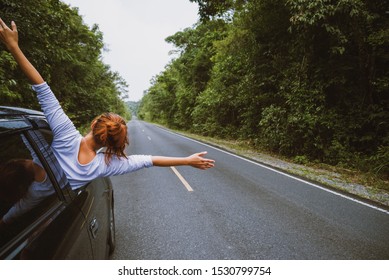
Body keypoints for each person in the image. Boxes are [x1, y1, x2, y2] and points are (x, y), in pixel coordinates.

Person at [0, 18, 215, 190]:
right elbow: (149, 160)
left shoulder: (66, 135)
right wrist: (186, 160)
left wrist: (13, 47)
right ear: (111, 144)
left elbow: (42, 88)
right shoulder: (103, 166)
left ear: (95, 124)